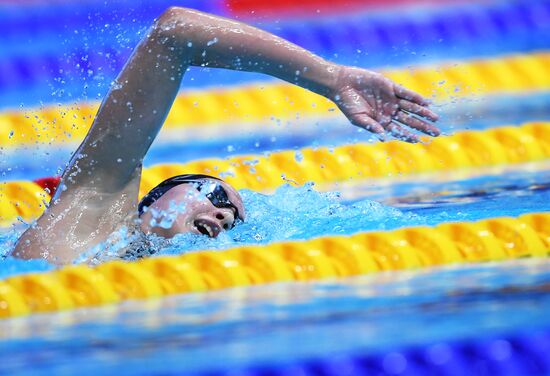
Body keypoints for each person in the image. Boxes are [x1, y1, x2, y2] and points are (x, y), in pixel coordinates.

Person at [11, 7, 440, 265]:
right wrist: (331, 78)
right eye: (216, 198)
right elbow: (174, 32)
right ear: (152, 199)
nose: (223, 217)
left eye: (232, 220)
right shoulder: (87, 214)